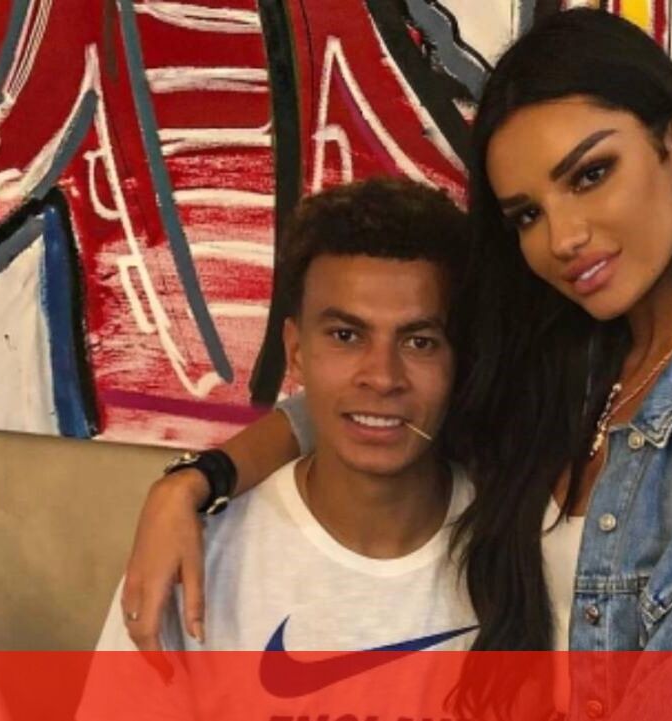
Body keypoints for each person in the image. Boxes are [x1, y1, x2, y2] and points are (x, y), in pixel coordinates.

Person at [120, 8, 672, 716]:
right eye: (527, 214)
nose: (563, 238)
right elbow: (368, 400)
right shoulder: (570, 365)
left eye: (590, 174)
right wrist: (194, 482)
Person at [88, 178, 477, 664]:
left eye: (419, 342)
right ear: (295, 352)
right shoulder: (195, 552)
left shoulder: (517, 546)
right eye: (345, 336)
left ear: (461, 360)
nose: (382, 377)